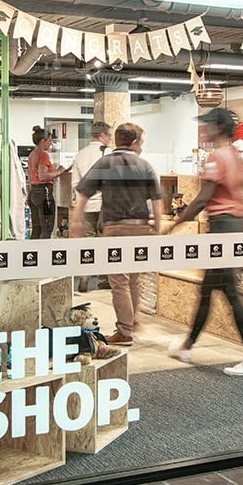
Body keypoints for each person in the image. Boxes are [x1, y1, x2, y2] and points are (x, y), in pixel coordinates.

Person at [167, 108, 243, 378]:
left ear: (219, 127)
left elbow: (202, 198)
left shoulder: (217, 157)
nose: (204, 130)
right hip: (232, 228)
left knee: (230, 293)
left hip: (222, 228)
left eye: (208, 125)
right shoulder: (234, 155)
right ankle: (187, 346)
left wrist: (177, 223)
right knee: (208, 289)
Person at [71, 123, 163, 346]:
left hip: (115, 228)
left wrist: (76, 222)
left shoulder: (105, 163)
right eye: (141, 141)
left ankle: (125, 331)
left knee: (119, 281)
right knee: (134, 278)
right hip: (141, 228)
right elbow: (157, 201)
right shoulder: (145, 166)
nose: (142, 146)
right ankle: (131, 320)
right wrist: (157, 228)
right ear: (134, 142)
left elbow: (83, 193)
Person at [72, 121, 112, 293]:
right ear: (102, 135)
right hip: (106, 207)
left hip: (87, 205)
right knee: (105, 243)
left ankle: (85, 276)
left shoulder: (80, 155)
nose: (110, 138)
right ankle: (104, 279)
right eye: (109, 135)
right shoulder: (109, 154)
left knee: (88, 242)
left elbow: (75, 183)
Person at [27, 126, 67, 239]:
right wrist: (59, 171)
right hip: (44, 194)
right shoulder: (43, 155)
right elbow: (43, 176)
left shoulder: (32, 154)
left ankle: (32, 254)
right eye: (49, 140)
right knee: (47, 227)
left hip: (34, 193)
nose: (51, 143)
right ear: (43, 141)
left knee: (37, 228)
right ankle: (44, 254)